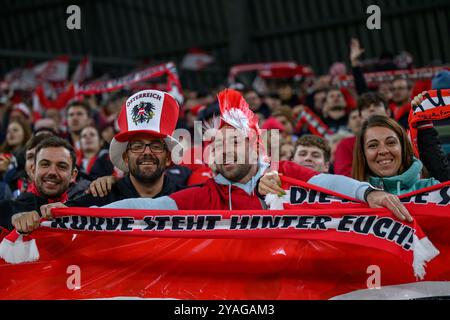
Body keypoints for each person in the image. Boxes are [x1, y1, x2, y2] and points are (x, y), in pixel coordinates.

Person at [52, 89, 185, 208]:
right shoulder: (101, 198)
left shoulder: (186, 200)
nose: (147, 152)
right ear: (126, 157)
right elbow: (63, 214)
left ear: (168, 158)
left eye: (156, 146)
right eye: (137, 146)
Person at [0, 136, 78, 232]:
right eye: (45, 164)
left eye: (61, 166)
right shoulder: (6, 210)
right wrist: (10, 223)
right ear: (33, 170)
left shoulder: (84, 211)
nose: (52, 172)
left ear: (73, 175)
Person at [352, 115, 440, 195]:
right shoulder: (351, 197)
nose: (383, 151)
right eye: (373, 145)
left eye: (390, 142)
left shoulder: (433, 188)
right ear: (362, 154)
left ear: (403, 148)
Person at [334, 92, 391, 177]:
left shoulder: (402, 137)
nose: (371, 109)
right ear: (360, 116)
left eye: (377, 105)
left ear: (388, 112)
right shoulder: (346, 144)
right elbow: (343, 176)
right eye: (366, 107)